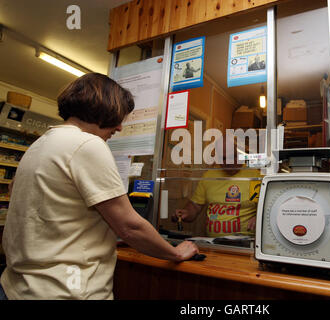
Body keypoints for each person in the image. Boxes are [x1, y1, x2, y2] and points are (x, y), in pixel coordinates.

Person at [0, 73, 198, 300]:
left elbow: (40, 206)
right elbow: (129, 227)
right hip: (64, 291)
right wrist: (175, 252)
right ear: (104, 108)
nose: (121, 128)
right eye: (119, 116)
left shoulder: (40, 144)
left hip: (17, 286)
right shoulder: (87, 144)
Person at [172, 137, 262, 238]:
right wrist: (186, 213)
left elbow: (266, 207)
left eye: (232, 157)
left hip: (244, 242)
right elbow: (195, 206)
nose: (228, 162)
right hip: (214, 243)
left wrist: (258, 217)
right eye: (223, 158)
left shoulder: (254, 176)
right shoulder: (209, 176)